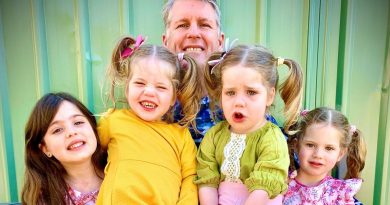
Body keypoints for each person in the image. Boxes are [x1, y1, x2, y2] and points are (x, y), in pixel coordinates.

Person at [96, 35, 202, 204]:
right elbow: (90, 158)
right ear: (127, 88)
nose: (150, 92)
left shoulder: (181, 136)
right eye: (140, 83)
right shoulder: (113, 121)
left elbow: (190, 177)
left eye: (161, 87)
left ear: (174, 96)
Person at [195, 44, 304, 205]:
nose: (239, 102)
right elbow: (206, 180)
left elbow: (263, 189)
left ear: (269, 96)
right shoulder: (214, 136)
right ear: (220, 95)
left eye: (251, 92)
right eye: (230, 92)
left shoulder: (272, 139)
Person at [21, 92, 107, 205]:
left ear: (93, 128)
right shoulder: (45, 199)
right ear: (45, 148)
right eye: (57, 130)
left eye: (78, 122)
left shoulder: (121, 173)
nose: (72, 132)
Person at [162, 0, 226, 144]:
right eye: (182, 25)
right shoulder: (151, 103)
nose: (193, 33)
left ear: (220, 41)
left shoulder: (237, 101)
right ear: (165, 42)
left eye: (204, 25)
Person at [283, 107, 366, 204]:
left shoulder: (341, 194)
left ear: (340, 154)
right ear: (296, 145)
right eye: (310, 145)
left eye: (329, 148)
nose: (318, 155)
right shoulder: (280, 184)